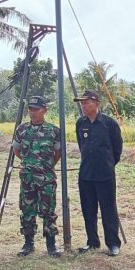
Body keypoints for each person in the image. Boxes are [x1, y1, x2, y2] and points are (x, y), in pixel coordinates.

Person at [74, 90, 123, 256]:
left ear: (96, 103)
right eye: (82, 103)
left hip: (105, 175)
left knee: (108, 209)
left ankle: (113, 244)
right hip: (86, 174)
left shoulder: (109, 124)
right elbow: (82, 146)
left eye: (86, 102)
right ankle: (92, 241)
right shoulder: (81, 123)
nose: (83, 105)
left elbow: (117, 149)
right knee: (88, 210)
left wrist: (107, 164)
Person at [12, 96, 62, 258]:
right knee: (27, 210)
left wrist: (45, 166)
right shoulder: (22, 130)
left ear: (45, 110)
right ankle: (28, 243)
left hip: (46, 178)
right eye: (30, 109)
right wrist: (29, 163)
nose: (33, 113)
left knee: (48, 211)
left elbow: (58, 153)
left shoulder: (53, 131)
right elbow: (17, 150)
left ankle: (51, 244)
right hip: (27, 178)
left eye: (36, 109)